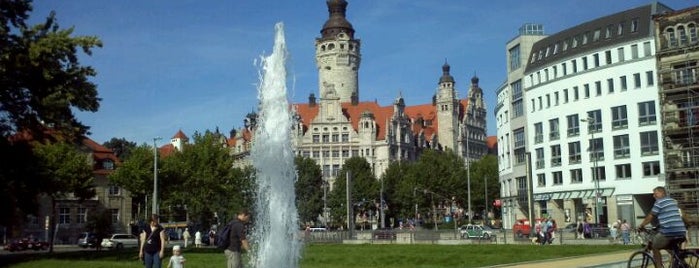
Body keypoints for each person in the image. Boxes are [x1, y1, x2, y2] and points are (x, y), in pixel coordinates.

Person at [637, 186, 687, 268]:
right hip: (681, 230)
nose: (653, 196)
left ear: (662, 193)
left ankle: (659, 266)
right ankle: (682, 264)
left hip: (669, 231)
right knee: (671, 248)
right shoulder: (673, 201)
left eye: (655, 193)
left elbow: (650, 216)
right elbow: (671, 216)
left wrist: (641, 225)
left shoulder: (659, 202)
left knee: (654, 246)